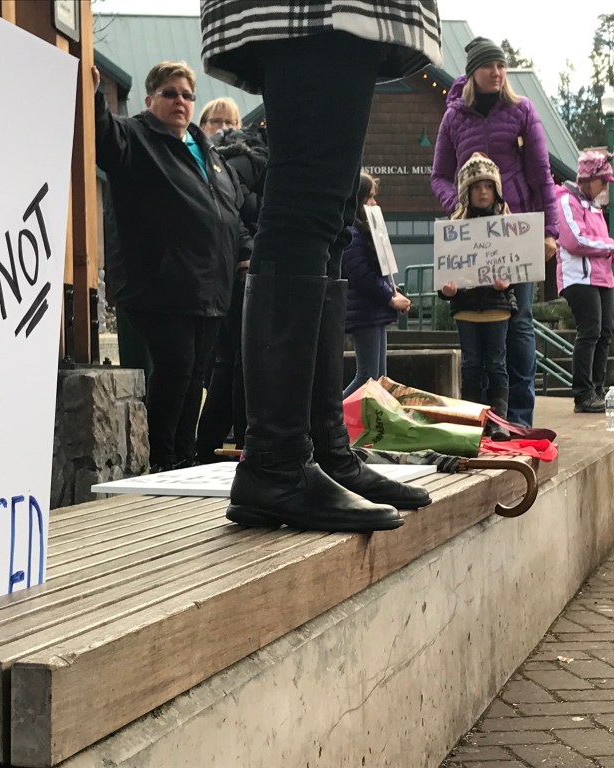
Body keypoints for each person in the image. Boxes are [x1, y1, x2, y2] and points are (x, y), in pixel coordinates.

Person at [200, 1, 441, 532]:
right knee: (308, 202)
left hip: (333, 14)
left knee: (330, 213)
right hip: (319, 10)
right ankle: (277, 461)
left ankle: (321, 452)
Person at [93, 61, 248, 473]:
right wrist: (91, 96)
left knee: (195, 372)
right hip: (159, 285)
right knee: (176, 366)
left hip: (208, 287)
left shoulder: (206, 150)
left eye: (186, 95)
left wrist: (242, 249)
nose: (179, 101)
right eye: (169, 93)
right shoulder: (135, 136)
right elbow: (101, 136)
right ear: (150, 100)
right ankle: (163, 459)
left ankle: (184, 456)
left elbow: (227, 209)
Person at [431, 36, 559, 427]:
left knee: (517, 325)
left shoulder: (522, 111)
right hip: (470, 239)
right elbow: (438, 175)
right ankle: (480, 419)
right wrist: (458, 205)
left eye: (501, 66)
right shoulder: (453, 117)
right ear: (473, 72)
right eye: (489, 66)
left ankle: (518, 417)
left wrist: (549, 230)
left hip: (514, 234)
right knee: (474, 330)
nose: (497, 72)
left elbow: (542, 175)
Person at [194, 120, 269, 463]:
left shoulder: (223, 161)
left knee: (228, 366)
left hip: (233, 271)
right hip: (243, 271)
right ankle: (241, 444)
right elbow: (231, 209)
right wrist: (246, 252)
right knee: (243, 366)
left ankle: (208, 447)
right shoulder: (248, 162)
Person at [437, 153, 516, 441]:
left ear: (496, 189)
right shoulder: (453, 228)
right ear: (466, 192)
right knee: (471, 366)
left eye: (488, 185)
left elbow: (516, 269)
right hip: (466, 309)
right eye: (476, 186)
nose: (483, 191)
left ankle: (498, 422)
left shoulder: (507, 226)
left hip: (497, 308)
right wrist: (446, 291)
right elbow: (444, 271)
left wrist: (506, 284)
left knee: (496, 364)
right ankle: (472, 421)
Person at [554, 149, 614, 413]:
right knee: (590, 331)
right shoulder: (565, 200)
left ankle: (597, 388)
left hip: (600, 277)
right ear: (588, 178)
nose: (605, 186)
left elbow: (597, 245)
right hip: (578, 279)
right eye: (603, 181)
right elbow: (575, 241)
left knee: (605, 332)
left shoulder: (593, 207)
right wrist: (611, 246)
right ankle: (583, 393)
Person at [341, 172, 411, 398]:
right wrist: (390, 298)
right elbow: (362, 275)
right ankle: (333, 415)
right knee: (368, 376)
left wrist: (394, 293)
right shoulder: (353, 234)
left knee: (378, 378)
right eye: (369, 198)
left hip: (373, 310)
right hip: (366, 312)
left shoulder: (364, 233)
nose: (374, 203)